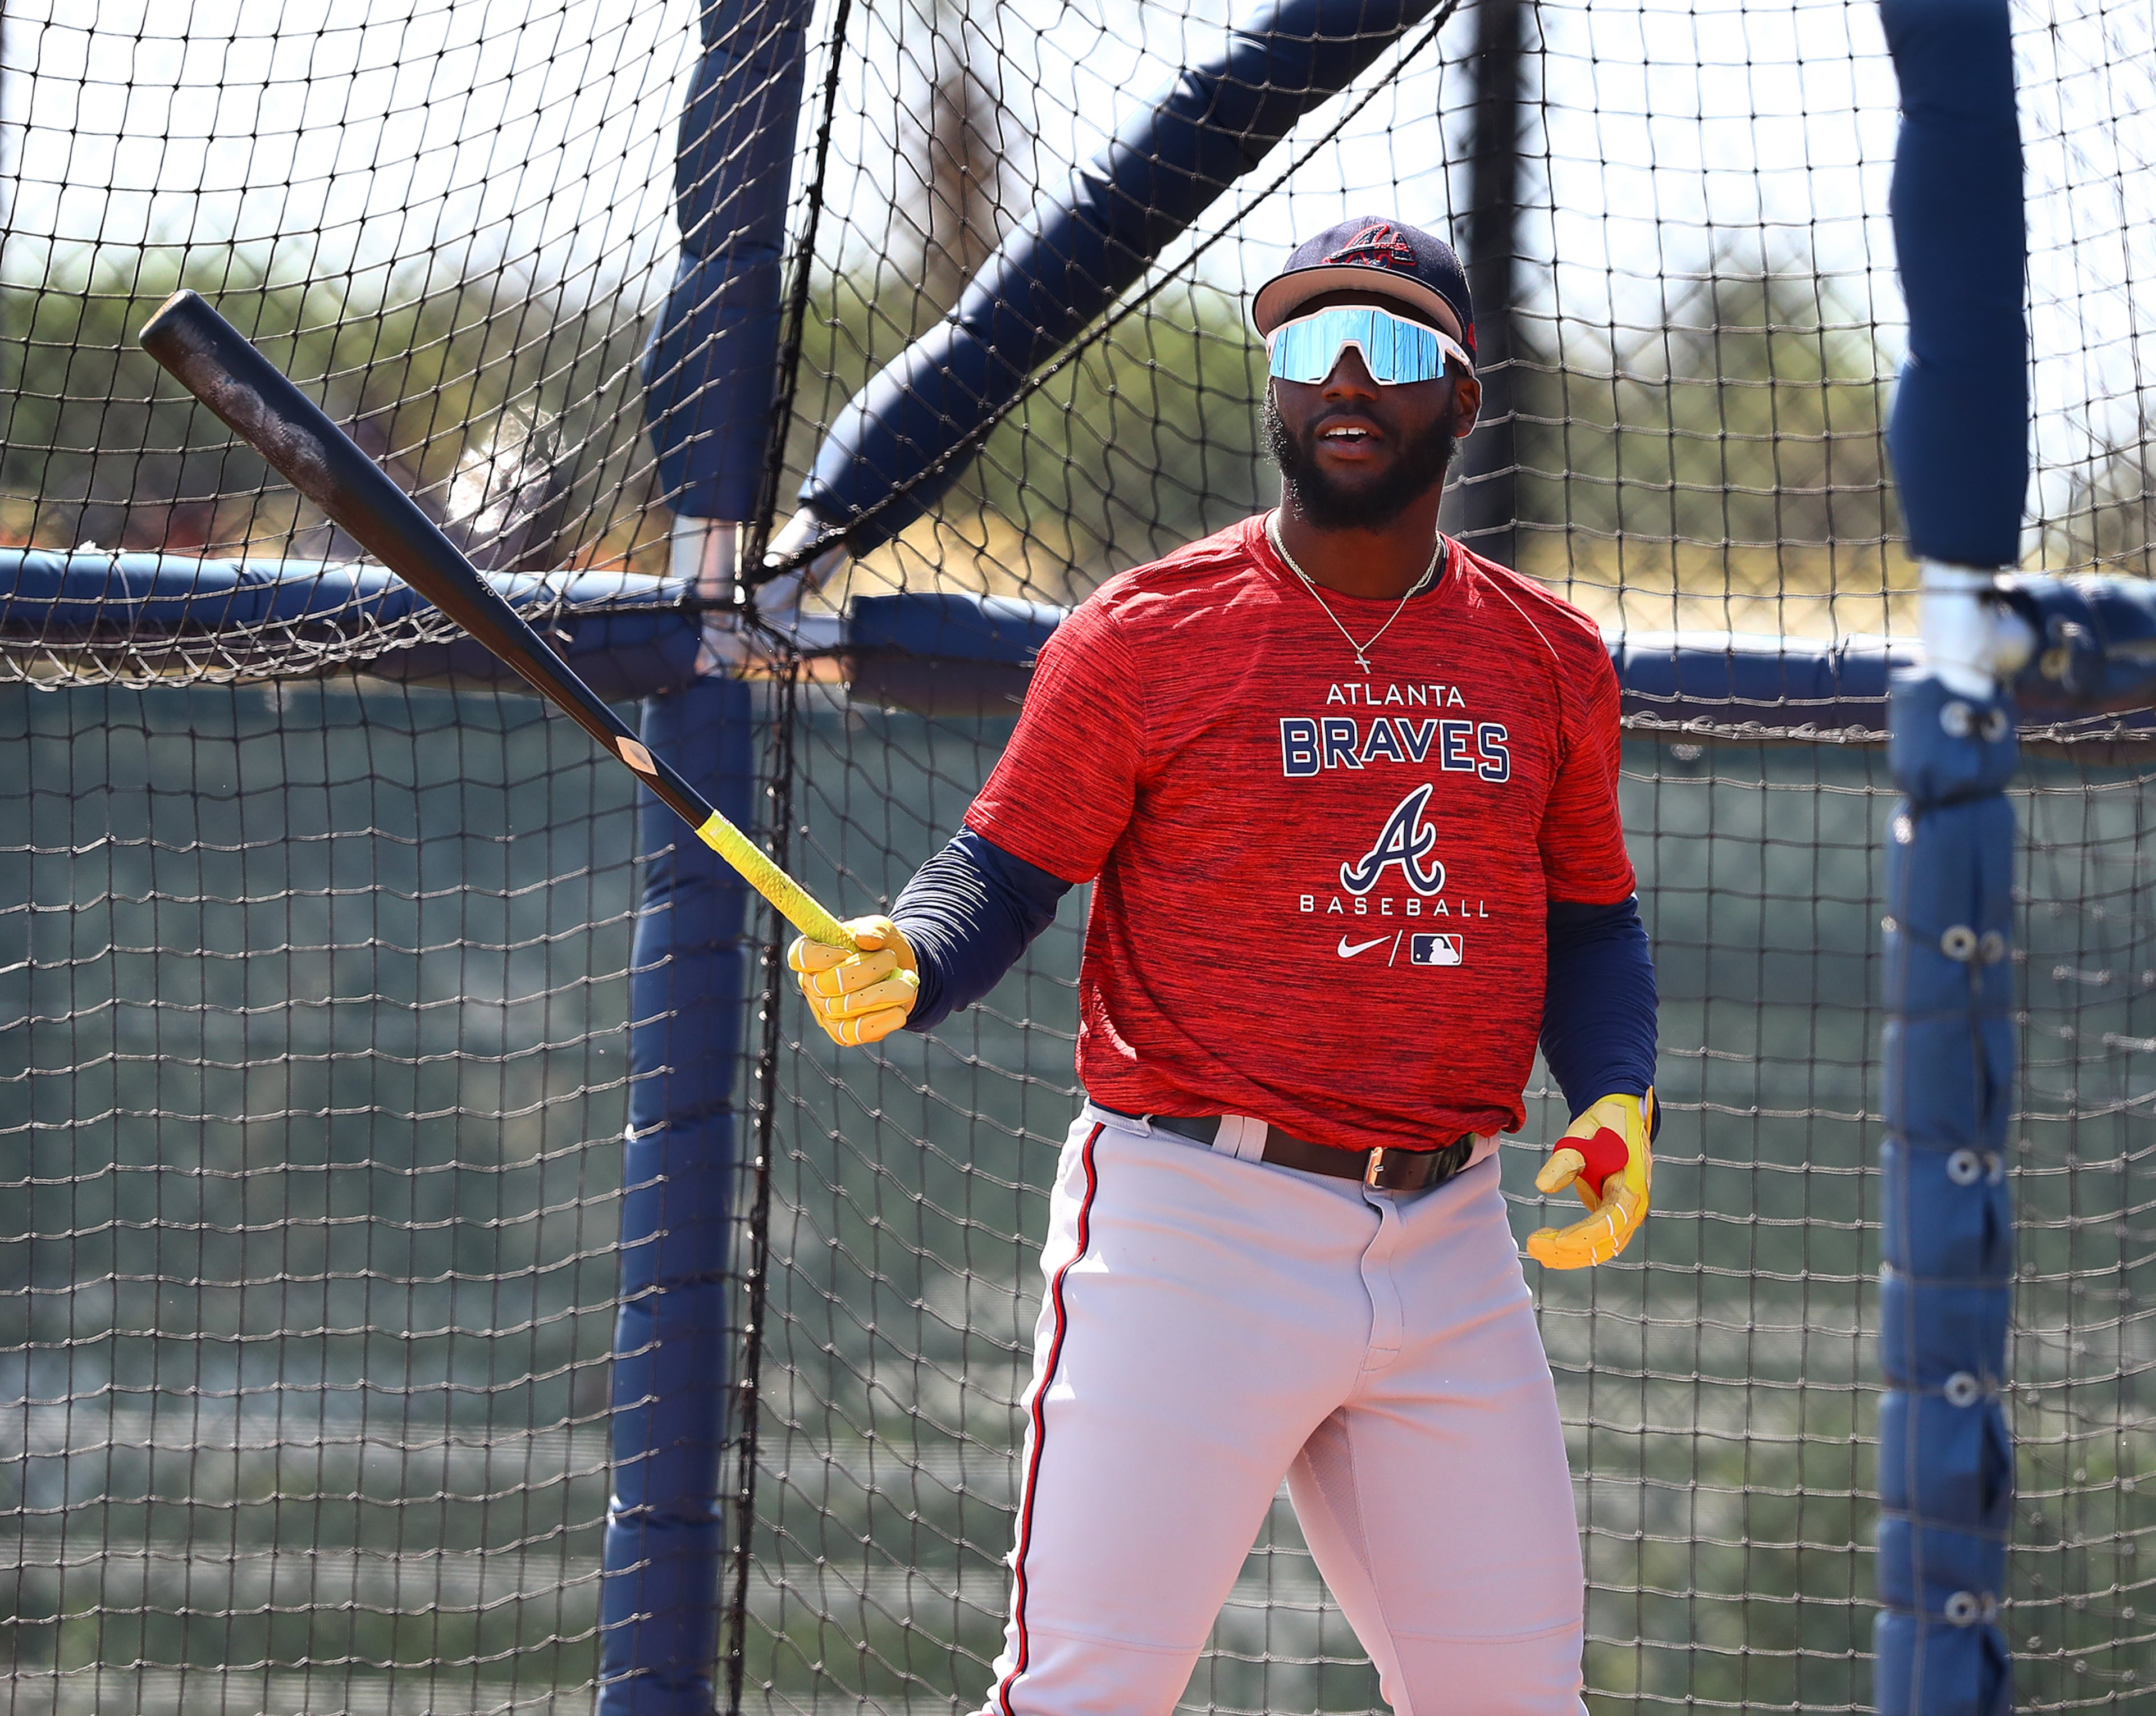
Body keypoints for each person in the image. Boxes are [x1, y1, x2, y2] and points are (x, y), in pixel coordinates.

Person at [789, 215, 1658, 1716]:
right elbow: (997, 872)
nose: (1340, 378)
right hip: (1194, 1229)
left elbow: (1587, 920)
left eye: (1389, 349)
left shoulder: (1550, 657)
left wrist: (1618, 1101)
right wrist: (914, 954)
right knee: (1083, 1700)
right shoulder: (1148, 632)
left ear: (1460, 397)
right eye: (1303, 345)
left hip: (1452, 1237)